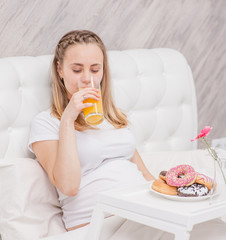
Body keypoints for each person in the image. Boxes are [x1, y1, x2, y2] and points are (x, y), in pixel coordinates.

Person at [28, 30, 226, 239]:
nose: (87, 79)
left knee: (214, 228)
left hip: (142, 210)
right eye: (77, 70)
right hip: (100, 222)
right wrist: (68, 118)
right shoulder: (47, 123)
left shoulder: (114, 119)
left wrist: (180, 194)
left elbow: (147, 177)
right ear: (59, 70)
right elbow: (68, 186)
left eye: (95, 70)